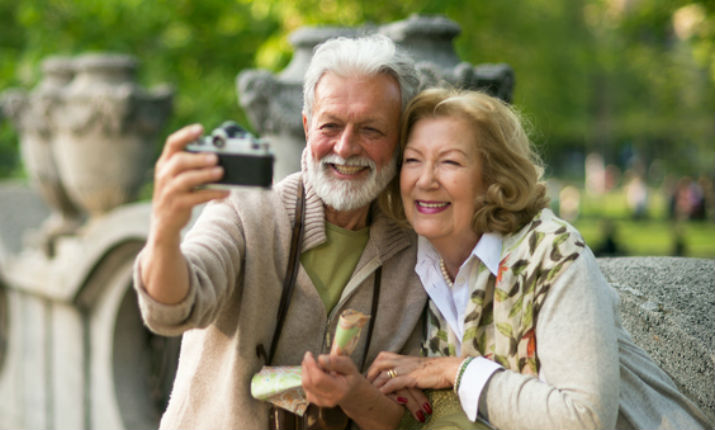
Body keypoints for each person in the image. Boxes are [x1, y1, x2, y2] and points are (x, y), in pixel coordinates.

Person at [363, 88, 713, 429]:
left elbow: (585, 420)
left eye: (450, 162)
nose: (425, 179)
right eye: (412, 160)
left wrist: (456, 371)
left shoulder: (552, 252)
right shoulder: (411, 260)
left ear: (491, 179)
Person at [133, 34, 431, 429]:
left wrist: (356, 396)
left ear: (400, 139)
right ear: (307, 126)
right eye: (331, 125)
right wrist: (165, 232)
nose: (345, 147)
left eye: (371, 130)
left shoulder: (418, 253)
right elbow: (171, 309)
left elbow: (409, 417)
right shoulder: (245, 211)